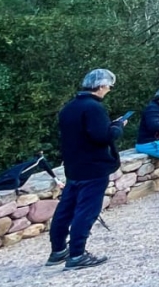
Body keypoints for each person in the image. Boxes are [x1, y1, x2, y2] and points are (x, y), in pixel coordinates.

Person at [48, 69, 126, 270]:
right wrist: (118, 127)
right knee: (86, 210)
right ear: (100, 86)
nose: (109, 90)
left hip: (74, 166)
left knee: (66, 209)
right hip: (93, 167)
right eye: (108, 86)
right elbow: (101, 137)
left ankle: (58, 250)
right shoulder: (93, 108)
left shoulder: (69, 107)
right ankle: (77, 255)